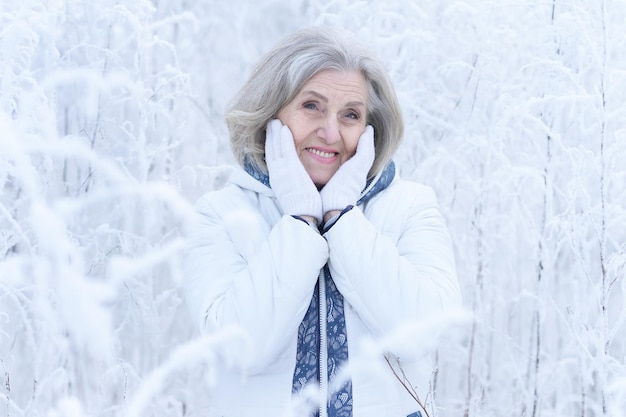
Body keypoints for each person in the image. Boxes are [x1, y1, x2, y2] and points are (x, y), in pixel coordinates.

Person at [183, 26, 461, 417]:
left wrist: (342, 220)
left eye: (350, 115)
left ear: (370, 130)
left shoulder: (411, 206)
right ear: (271, 113)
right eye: (311, 106)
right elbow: (238, 349)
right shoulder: (221, 214)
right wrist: (299, 219)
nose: (330, 133)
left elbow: (425, 330)